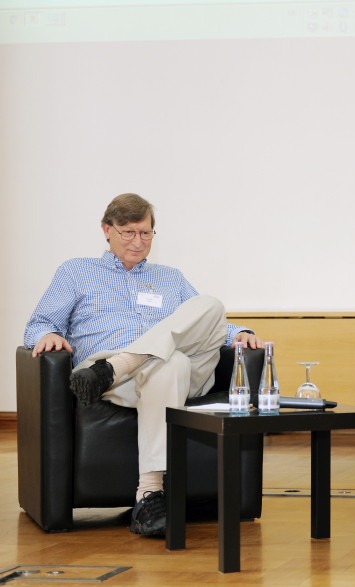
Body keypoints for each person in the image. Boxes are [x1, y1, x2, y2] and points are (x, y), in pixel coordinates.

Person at [23, 194, 263, 537]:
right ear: (107, 230)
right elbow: (37, 325)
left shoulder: (171, 277)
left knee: (210, 304)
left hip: (131, 373)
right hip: (113, 382)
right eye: (128, 232)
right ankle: (149, 494)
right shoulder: (75, 272)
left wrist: (238, 334)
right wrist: (47, 335)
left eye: (146, 234)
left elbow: (206, 323)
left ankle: (121, 363)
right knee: (172, 361)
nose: (138, 242)